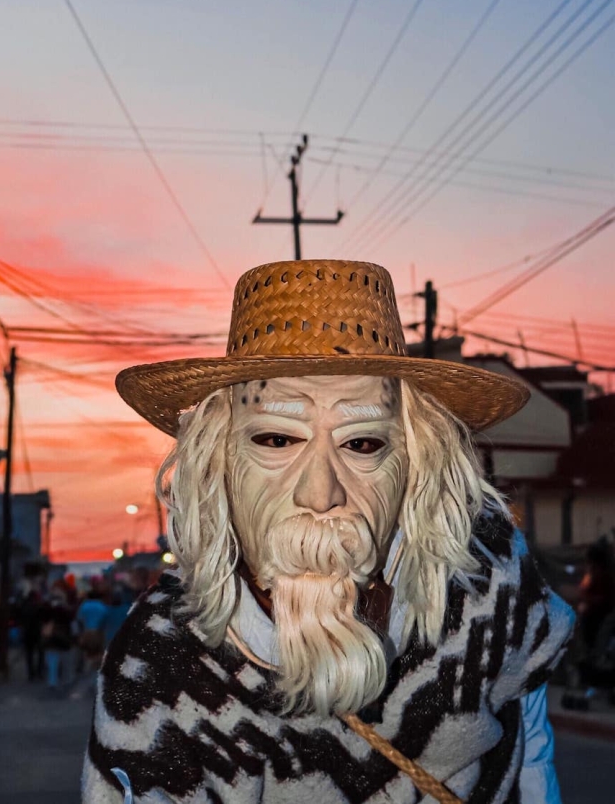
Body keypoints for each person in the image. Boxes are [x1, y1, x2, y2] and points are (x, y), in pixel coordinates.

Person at [83, 260, 574, 804]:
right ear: (217, 460)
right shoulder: (163, 659)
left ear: (415, 462)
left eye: (362, 444)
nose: (321, 494)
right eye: (275, 439)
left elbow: (533, 765)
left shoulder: (492, 593)